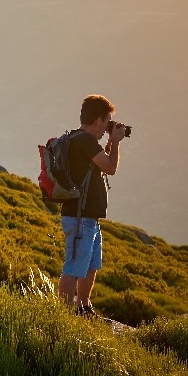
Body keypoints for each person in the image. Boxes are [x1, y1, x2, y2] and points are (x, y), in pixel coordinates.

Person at [57, 94, 126, 315]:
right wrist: (115, 142)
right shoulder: (85, 141)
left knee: (90, 266)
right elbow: (110, 167)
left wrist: (109, 142)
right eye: (107, 122)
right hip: (80, 217)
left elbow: (98, 162)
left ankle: (83, 306)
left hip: (87, 217)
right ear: (97, 120)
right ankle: (64, 314)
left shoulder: (78, 139)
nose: (107, 127)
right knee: (74, 268)